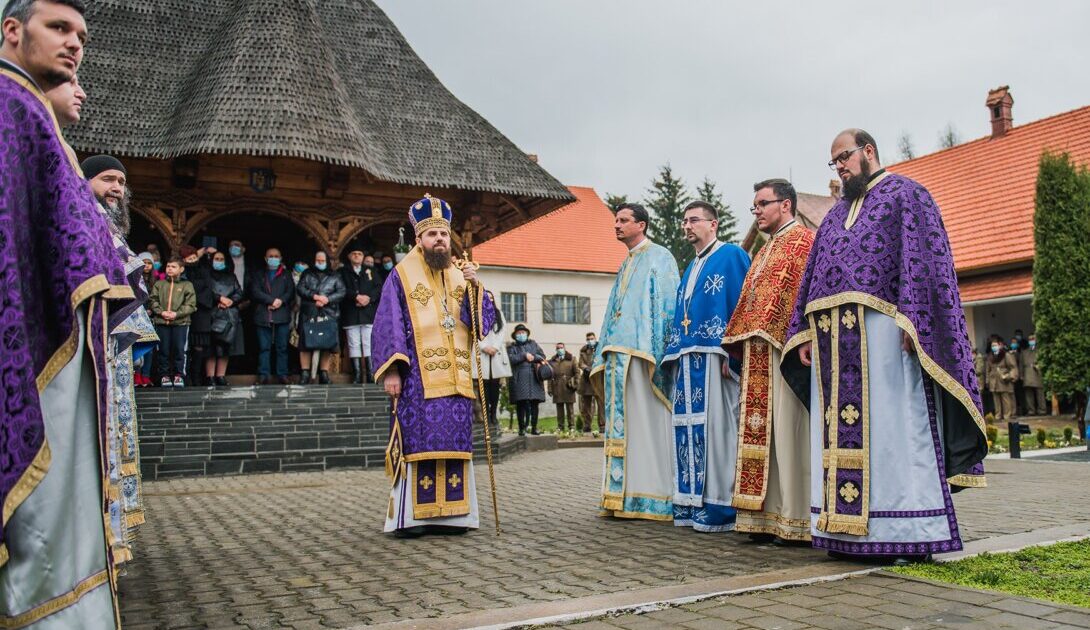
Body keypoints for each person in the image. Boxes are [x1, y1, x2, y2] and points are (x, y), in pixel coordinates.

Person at [781, 129, 988, 563]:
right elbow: (812, 281)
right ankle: (844, 533)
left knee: (893, 430)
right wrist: (802, 333)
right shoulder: (835, 217)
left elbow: (926, 263)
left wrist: (917, 322)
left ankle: (906, 531)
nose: (839, 166)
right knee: (838, 434)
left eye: (844, 156)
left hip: (886, 339)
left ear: (868, 151)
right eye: (833, 161)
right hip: (834, 346)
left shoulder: (907, 196)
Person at [0, 1, 139, 623]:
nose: (74, 45)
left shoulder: (30, 112)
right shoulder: (11, 107)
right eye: (59, 28)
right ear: (12, 30)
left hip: (61, 351)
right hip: (31, 346)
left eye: (81, 35)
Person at [371, 195, 494, 537]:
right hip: (417, 382)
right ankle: (413, 520)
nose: (439, 239)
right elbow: (387, 323)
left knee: (453, 445)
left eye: (443, 233)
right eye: (432, 235)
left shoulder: (459, 275)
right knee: (419, 444)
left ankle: (453, 516)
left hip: (456, 383)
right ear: (418, 240)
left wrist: (476, 287)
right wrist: (392, 371)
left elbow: (482, 323)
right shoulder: (400, 276)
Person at [722, 180, 814, 543]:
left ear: (786, 205)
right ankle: (763, 517)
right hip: (758, 354)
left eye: (763, 203)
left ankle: (796, 518)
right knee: (762, 437)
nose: (756, 211)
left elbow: (808, 295)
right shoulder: (763, 251)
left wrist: (803, 335)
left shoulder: (803, 241)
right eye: (754, 206)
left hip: (786, 351)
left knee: (789, 434)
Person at [661, 200, 750, 532]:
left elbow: (743, 303)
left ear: (713, 224)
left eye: (694, 220)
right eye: (684, 220)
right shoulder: (690, 266)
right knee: (687, 430)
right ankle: (689, 501)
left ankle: (720, 504)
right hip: (687, 359)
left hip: (717, 358)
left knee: (718, 431)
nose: (687, 226)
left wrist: (736, 351)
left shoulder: (731, 256)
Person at [592, 203, 680, 521]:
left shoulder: (661, 256)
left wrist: (659, 350)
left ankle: (654, 496)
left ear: (640, 225)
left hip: (645, 357)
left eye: (623, 220)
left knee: (647, 424)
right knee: (624, 427)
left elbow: (667, 307)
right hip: (618, 355)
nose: (617, 225)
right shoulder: (625, 262)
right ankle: (622, 497)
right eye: (616, 220)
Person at [296, 250, 346, 384]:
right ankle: (305, 373)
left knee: (327, 344)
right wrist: (315, 297)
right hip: (309, 313)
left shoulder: (335, 275)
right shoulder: (307, 274)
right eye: (318, 260)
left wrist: (327, 299)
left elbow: (341, 291)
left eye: (322, 260)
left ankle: (324, 373)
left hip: (328, 313)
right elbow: (300, 288)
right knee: (305, 344)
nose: (320, 262)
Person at [149, 256, 197, 387]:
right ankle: (164, 375)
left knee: (180, 350)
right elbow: (153, 300)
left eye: (173, 267)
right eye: (168, 266)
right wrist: (161, 312)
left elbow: (191, 304)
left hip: (181, 323)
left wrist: (177, 314)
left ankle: (179, 375)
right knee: (162, 350)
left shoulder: (187, 285)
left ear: (181, 269)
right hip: (162, 322)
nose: (170, 269)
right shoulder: (160, 284)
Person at [250, 248, 295, 384]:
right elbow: (255, 291)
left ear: (280, 258)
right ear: (265, 258)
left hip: (282, 314)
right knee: (264, 347)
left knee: (282, 347)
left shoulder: (286, 274)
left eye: (276, 256)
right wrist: (270, 301)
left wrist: (280, 301)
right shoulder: (259, 274)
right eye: (271, 256)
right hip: (263, 314)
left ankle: (282, 374)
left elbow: (290, 291)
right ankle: (264, 374)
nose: (273, 258)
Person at [199, 251, 243, 386]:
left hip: (229, 315)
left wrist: (231, 301)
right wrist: (219, 298)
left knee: (226, 348)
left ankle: (220, 376)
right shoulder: (206, 275)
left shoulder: (231, 276)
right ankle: (210, 376)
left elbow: (239, 292)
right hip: (212, 314)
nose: (218, 261)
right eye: (216, 258)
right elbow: (204, 291)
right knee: (211, 348)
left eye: (221, 259)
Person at [340, 248, 382, 383]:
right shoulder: (343, 272)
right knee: (354, 344)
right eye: (354, 253)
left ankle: (370, 375)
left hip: (367, 312)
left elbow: (379, 287)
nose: (357, 256)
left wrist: (369, 298)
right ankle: (357, 375)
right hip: (351, 312)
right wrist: (356, 297)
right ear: (349, 256)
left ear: (363, 256)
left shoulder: (371, 271)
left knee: (368, 343)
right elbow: (340, 288)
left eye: (359, 254)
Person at [472, 291, 511, 429]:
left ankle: (493, 413)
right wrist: (484, 346)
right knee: (483, 387)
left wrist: (494, 347)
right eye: (485, 298)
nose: (489, 300)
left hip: (496, 353)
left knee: (495, 388)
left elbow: (502, 331)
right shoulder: (475, 313)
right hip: (482, 353)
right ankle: (485, 416)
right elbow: (474, 333)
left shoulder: (498, 313)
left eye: (491, 298)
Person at [507, 324, 547, 435]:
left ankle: (534, 428)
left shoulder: (533, 344)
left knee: (535, 403)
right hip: (519, 379)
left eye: (523, 333)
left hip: (534, 378)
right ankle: (522, 428)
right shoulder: (511, 347)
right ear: (515, 336)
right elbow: (511, 359)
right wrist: (524, 355)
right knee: (521, 404)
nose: (521, 335)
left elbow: (542, 356)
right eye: (519, 333)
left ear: (527, 334)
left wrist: (534, 357)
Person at [548, 343, 579, 433]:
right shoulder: (552, 361)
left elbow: (577, 373)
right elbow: (550, 376)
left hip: (569, 386)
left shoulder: (572, 359)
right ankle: (560, 427)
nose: (559, 349)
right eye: (558, 348)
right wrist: (550, 388)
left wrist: (576, 384)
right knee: (559, 409)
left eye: (561, 348)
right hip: (557, 387)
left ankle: (571, 426)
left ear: (564, 348)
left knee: (570, 408)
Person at [577, 332, 604, 435]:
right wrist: (586, 368)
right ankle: (587, 425)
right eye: (588, 339)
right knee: (586, 405)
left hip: (598, 379)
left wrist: (596, 368)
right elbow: (580, 363)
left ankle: (602, 425)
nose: (590, 340)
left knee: (601, 404)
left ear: (595, 338)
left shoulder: (600, 348)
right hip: (586, 380)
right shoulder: (583, 351)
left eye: (592, 338)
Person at [986, 337, 1018, 420]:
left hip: (1003, 380)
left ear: (999, 345)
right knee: (996, 400)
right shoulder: (990, 357)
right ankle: (998, 415)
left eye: (995, 345)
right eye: (992, 346)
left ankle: (1007, 415)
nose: (994, 347)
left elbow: (1013, 367)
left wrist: (1009, 376)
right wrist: (987, 381)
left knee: (1005, 399)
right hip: (994, 381)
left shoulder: (1005, 355)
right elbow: (987, 370)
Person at [1021, 334, 1045, 415]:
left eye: (1033, 339)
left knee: (1040, 393)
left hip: (1037, 373)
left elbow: (1044, 362)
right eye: (1030, 339)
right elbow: (1021, 365)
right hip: (1027, 374)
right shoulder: (1024, 352)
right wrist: (1021, 375)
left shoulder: (1040, 351)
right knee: (1028, 394)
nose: (1031, 341)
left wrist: (1039, 366)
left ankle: (1042, 410)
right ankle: (1031, 410)